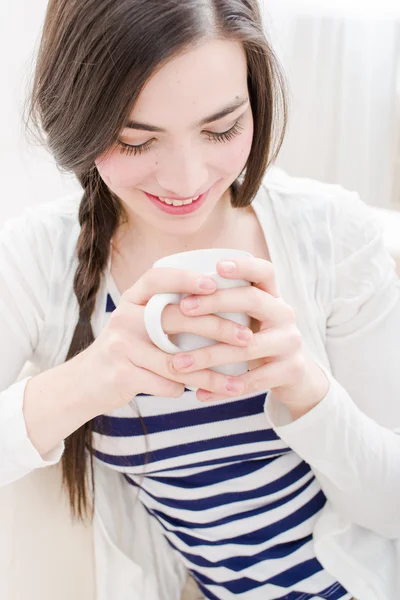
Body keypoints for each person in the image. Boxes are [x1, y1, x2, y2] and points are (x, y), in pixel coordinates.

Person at [1, 0, 399, 599]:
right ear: (79, 121)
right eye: (135, 142)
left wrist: (310, 393)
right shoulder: (38, 256)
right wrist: (90, 379)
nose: (187, 182)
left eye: (221, 129)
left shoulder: (335, 238)